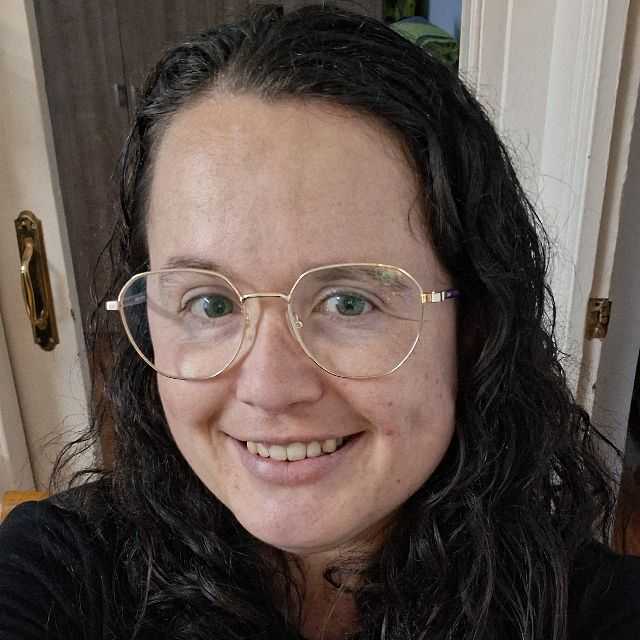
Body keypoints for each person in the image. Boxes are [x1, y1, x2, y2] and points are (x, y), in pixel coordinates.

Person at [1, 4, 639, 639]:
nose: (270, 389)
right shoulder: (57, 574)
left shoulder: (592, 611)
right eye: (211, 303)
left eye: (349, 302)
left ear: (473, 325)